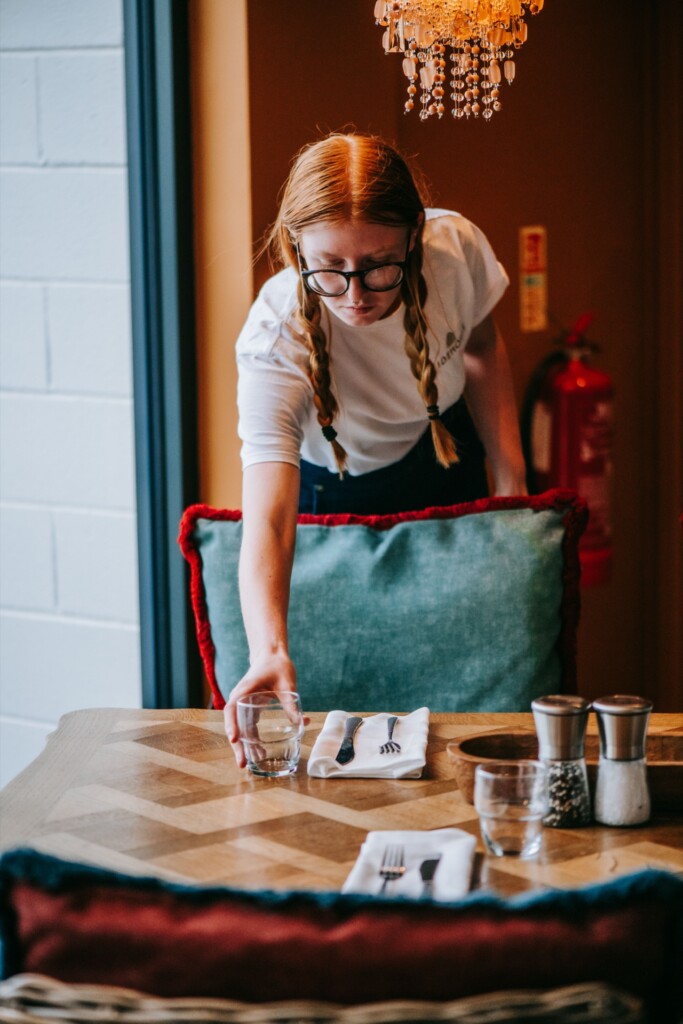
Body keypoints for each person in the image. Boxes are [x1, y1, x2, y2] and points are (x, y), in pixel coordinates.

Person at [225, 132, 527, 764]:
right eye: (330, 269)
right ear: (295, 247)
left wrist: (511, 483)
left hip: (442, 450)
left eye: (379, 265)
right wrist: (269, 651)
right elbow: (270, 516)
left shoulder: (456, 249)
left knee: (463, 658)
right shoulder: (273, 340)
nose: (356, 294)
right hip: (329, 484)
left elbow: (481, 350)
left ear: (414, 236)